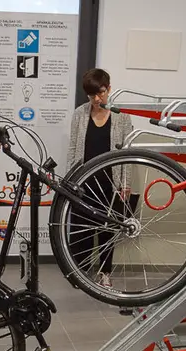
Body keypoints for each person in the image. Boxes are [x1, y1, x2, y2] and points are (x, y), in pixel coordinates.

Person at [66, 68, 133, 289]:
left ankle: (105, 273)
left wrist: (125, 183)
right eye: (92, 95)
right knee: (81, 228)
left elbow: (127, 153)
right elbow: (73, 148)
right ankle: (81, 272)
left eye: (101, 93)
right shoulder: (80, 114)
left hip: (109, 182)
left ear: (108, 89)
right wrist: (70, 180)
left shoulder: (122, 116)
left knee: (107, 230)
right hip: (84, 182)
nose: (97, 99)